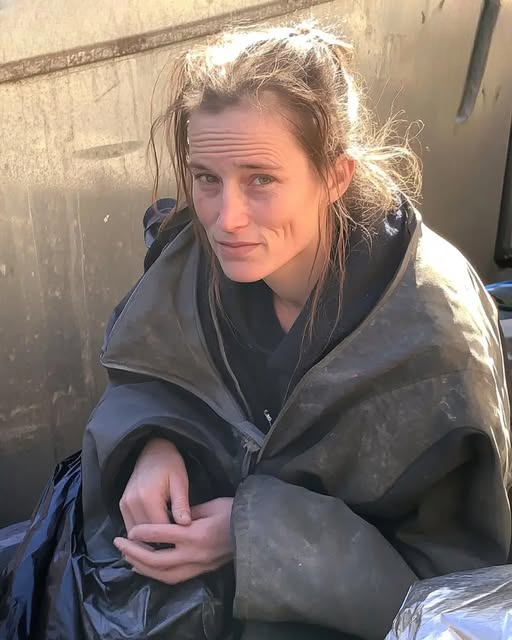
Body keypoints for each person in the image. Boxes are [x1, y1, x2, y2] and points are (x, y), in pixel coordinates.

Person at [81, 23, 511, 640]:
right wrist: (152, 443)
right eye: (206, 178)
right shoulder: (195, 260)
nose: (225, 219)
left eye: (261, 179)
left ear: (335, 176)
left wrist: (252, 536)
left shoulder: (434, 339)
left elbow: (450, 595)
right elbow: (149, 376)